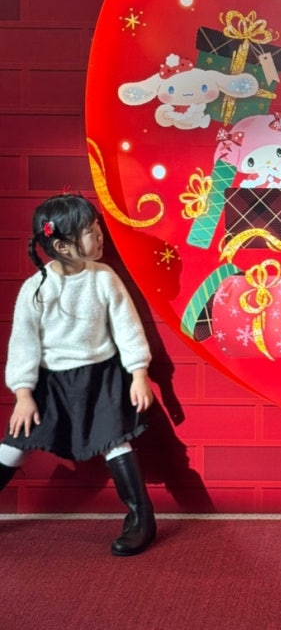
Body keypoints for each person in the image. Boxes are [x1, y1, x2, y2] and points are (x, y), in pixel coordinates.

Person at [0, 193, 156, 556]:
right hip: (51, 384)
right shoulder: (36, 289)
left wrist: (138, 373)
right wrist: (23, 394)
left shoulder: (104, 278)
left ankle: (141, 517)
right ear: (62, 246)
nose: (100, 235)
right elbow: (23, 344)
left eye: (97, 226)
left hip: (101, 379)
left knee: (115, 440)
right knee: (16, 444)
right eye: (90, 230)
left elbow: (127, 327)